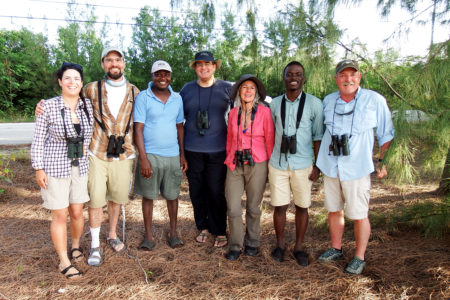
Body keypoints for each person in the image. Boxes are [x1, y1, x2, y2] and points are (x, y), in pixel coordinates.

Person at [316, 59, 394, 274]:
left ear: (359, 77)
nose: (347, 79)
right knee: (334, 210)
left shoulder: (374, 100)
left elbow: (386, 133)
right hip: (331, 164)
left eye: (352, 75)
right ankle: (336, 248)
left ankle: (359, 256)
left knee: (359, 213)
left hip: (357, 166)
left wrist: (382, 162)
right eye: (343, 75)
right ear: (336, 79)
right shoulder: (328, 101)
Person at [31, 62, 94, 279]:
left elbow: (90, 135)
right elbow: (38, 140)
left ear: (82, 82)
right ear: (60, 82)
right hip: (55, 167)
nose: (72, 82)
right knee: (60, 214)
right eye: (67, 78)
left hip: (80, 167)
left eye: (76, 78)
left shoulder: (88, 106)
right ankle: (64, 260)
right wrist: (38, 168)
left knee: (77, 212)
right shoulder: (47, 106)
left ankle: (75, 247)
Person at [268, 61, 323, 266]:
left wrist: (317, 165)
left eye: (298, 74)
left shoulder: (315, 104)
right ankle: (280, 245)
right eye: (289, 74)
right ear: (284, 78)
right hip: (278, 163)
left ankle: (299, 247)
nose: (293, 77)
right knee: (279, 206)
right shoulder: (274, 104)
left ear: (303, 78)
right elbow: (270, 134)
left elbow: (318, 136)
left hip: (303, 163)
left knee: (302, 206)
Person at [180, 51, 233, 247]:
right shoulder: (186, 90)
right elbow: (178, 122)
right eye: (200, 64)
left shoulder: (228, 88)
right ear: (195, 67)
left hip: (219, 150)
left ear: (215, 66)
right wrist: (181, 153)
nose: (204, 67)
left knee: (216, 191)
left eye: (208, 64)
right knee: (196, 191)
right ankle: (202, 227)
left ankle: (219, 229)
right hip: (193, 150)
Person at [133, 60, 188, 250]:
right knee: (149, 196)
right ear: (152, 76)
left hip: (172, 155)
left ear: (171, 77)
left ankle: (173, 233)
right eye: (158, 74)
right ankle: (148, 236)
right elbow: (138, 129)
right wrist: (144, 158)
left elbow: (179, 127)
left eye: (166, 74)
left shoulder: (177, 98)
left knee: (172, 196)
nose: (162, 78)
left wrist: (182, 155)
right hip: (151, 155)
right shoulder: (143, 97)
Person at [223, 74, 275, 260]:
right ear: (239, 91)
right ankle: (236, 245)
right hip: (235, 163)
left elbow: (270, 139)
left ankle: (253, 242)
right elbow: (229, 139)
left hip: (257, 163)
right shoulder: (233, 113)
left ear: (257, 93)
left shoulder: (264, 112)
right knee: (233, 207)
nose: (248, 91)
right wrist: (229, 160)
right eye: (244, 87)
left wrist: (268, 167)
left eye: (251, 88)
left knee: (253, 206)